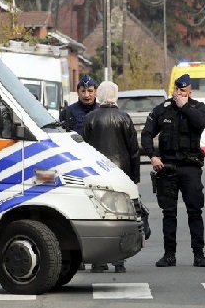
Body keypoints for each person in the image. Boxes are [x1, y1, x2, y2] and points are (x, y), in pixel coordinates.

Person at [140, 74, 205, 268]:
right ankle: (169, 255)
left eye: (184, 91)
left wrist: (184, 107)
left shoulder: (198, 108)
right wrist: (152, 156)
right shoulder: (162, 110)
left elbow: (200, 123)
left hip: (190, 168)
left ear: (190, 92)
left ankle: (199, 255)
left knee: (195, 212)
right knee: (169, 213)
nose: (180, 94)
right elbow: (146, 134)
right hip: (168, 168)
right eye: (177, 90)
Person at [82, 81, 141, 273]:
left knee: (98, 214)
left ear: (98, 95)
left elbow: (84, 147)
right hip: (121, 171)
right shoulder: (124, 118)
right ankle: (120, 261)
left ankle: (99, 261)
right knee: (121, 215)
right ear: (116, 96)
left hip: (97, 173)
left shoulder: (90, 117)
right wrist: (135, 177)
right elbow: (133, 150)